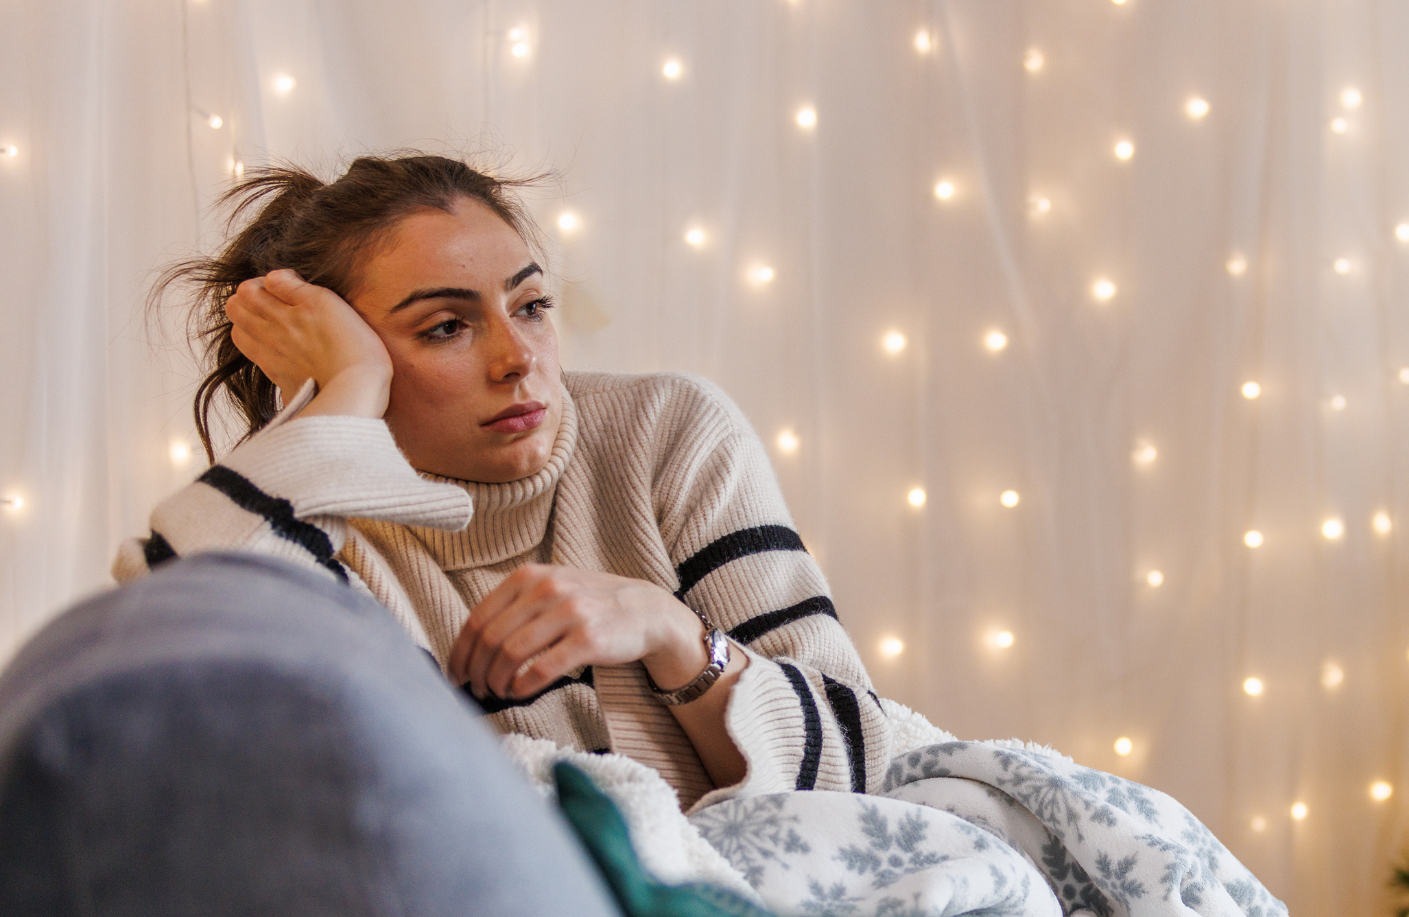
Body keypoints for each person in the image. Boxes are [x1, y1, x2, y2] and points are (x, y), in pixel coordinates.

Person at [121, 153, 935, 811]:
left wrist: (670, 634)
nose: (518, 359)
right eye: (445, 327)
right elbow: (186, 705)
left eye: (533, 304)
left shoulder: (666, 433)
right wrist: (345, 399)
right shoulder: (303, 525)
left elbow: (865, 773)